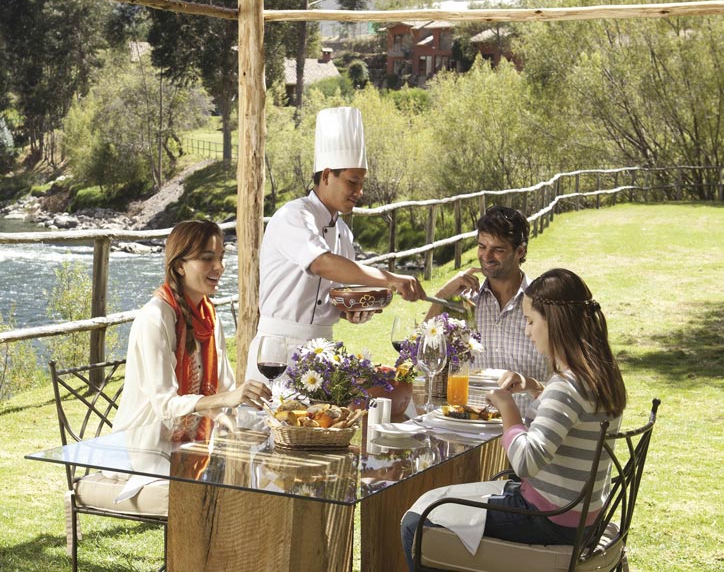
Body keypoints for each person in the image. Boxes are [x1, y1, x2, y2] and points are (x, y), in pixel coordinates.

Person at [401, 268, 628, 571]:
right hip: (579, 514)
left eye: (531, 321)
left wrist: (509, 409)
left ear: (556, 323)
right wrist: (535, 388)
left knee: (416, 521)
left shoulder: (567, 385)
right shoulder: (597, 376)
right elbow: (575, 419)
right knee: (433, 498)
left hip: (548, 518)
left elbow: (526, 462)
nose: (527, 331)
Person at [246, 106, 427, 383]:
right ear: (327, 175)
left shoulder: (344, 233)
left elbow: (339, 298)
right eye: (353, 181)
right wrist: (391, 279)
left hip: (323, 354)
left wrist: (353, 312)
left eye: (362, 183)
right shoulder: (294, 216)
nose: (360, 191)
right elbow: (322, 263)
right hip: (276, 352)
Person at [112, 219, 271, 438]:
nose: (220, 267)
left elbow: (225, 389)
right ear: (179, 266)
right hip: (144, 444)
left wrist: (245, 411)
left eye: (221, 257)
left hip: (196, 442)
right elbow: (166, 406)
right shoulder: (155, 318)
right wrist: (228, 399)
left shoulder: (208, 316)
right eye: (207, 258)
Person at [424, 205, 548, 411]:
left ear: (520, 251)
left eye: (498, 250)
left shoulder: (543, 303)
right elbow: (424, 353)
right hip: (471, 425)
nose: (487, 256)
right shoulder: (463, 301)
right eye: (482, 247)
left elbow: (568, 376)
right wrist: (442, 296)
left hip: (527, 429)